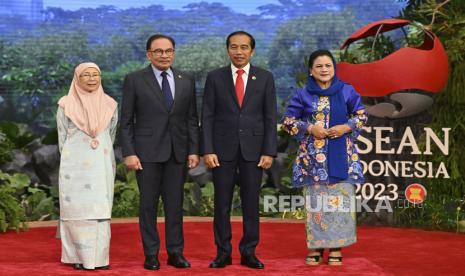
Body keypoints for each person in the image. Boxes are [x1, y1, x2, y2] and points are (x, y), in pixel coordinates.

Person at [120, 34, 200, 270]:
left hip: (178, 153)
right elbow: (126, 120)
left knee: (175, 206)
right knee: (148, 206)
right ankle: (151, 254)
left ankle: (175, 253)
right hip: (146, 154)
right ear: (149, 54)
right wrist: (129, 152)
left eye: (168, 51)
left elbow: (191, 118)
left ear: (173, 52)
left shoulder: (186, 79)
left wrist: (194, 150)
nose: (164, 55)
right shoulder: (134, 80)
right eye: (158, 51)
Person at [281, 49, 367, 266]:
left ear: (333, 68)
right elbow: (289, 121)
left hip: (342, 158)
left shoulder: (347, 91)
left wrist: (346, 127)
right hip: (313, 161)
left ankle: (337, 247)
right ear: (311, 70)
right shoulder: (303, 94)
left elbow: (361, 116)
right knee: (317, 204)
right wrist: (310, 128)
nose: (324, 70)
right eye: (319, 66)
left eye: (328, 65)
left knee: (339, 204)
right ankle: (317, 246)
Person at [201, 31, 277, 269]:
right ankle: (223, 252)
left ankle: (248, 252)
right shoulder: (215, 78)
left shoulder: (265, 78)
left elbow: (269, 116)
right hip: (221, 152)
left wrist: (269, 151)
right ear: (227, 50)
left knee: (251, 204)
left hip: (254, 152)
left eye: (244, 47)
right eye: (234, 47)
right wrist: (208, 149)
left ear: (252, 51)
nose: (239, 52)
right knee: (221, 204)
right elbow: (208, 115)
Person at [57, 62, 118, 270]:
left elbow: (111, 134)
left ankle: (99, 260)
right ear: (77, 79)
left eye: (95, 75)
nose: (92, 79)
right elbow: (62, 137)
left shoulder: (110, 104)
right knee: (76, 211)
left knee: (99, 211)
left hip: (100, 165)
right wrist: (72, 159)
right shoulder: (65, 104)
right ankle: (77, 257)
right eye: (86, 75)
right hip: (74, 167)